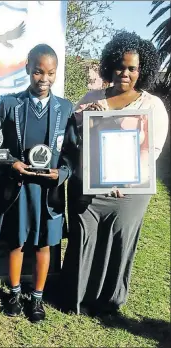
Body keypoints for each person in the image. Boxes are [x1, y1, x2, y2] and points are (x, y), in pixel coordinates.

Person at [61, 31, 169, 315]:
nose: (125, 72)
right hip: (88, 187)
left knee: (119, 240)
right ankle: (75, 295)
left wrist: (125, 179)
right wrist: (87, 118)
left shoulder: (151, 106)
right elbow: (70, 141)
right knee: (85, 237)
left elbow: (152, 151)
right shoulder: (91, 98)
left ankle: (108, 301)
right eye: (120, 65)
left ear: (142, 70)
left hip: (129, 191)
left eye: (132, 68)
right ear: (110, 64)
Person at [0, 44, 78, 322]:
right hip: (19, 189)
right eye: (38, 72)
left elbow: (72, 155)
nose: (44, 79)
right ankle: (15, 293)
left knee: (45, 246)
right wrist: (11, 163)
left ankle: (37, 299)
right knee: (16, 243)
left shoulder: (65, 109)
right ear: (28, 68)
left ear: (56, 73)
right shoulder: (9, 105)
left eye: (51, 73)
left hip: (49, 192)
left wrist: (62, 174)